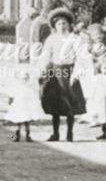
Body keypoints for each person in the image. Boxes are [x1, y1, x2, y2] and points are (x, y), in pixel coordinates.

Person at [37, 7, 86, 141]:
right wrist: (42, 70)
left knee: (70, 101)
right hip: (54, 72)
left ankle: (70, 132)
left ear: (69, 24)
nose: (62, 26)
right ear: (54, 26)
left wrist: (75, 75)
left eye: (64, 23)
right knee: (55, 103)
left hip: (69, 72)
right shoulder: (51, 39)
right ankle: (55, 133)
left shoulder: (75, 39)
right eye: (59, 24)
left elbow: (81, 58)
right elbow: (46, 56)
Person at [6, 65, 44, 142]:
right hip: (22, 100)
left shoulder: (24, 81)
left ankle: (22, 134)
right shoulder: (24, 81)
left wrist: (11, 97)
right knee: (23, 117)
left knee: (22, 117)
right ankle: (23, 134)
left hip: (24, 100)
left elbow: (13, 87)